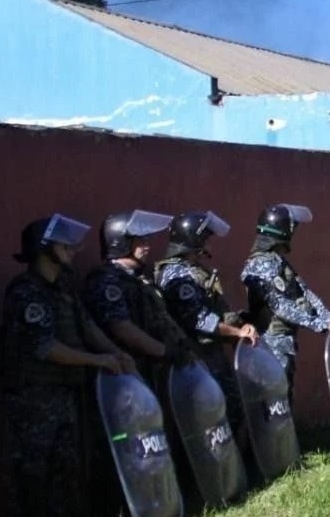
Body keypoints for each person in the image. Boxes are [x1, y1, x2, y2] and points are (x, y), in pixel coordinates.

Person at [2, 215, 136, 517]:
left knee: (68, 476)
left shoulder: (63, 288)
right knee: (34, 479)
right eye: (65, 245)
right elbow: (45, 348)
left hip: (66, 397)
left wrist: (117, 354)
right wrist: (97, 360)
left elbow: (88, 328)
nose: (73, 250)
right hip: (33, 402)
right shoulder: (25, 292)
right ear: (44, 249)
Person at [155, 210, 260, 436]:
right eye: (205, 238)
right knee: (209, 415)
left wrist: (241, 325)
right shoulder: (175, 274)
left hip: (212, 352)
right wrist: (236, 333)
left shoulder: (195, 270)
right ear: (193, 240)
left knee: (232, 411)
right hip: (194, 357)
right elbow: (199, 320)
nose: (209, 244)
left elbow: (218, 308)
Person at [241, 204, 330, 393]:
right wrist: (320, 324)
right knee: (275, 398)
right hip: (270, 342)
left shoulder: (277, 261)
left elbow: (304, 293)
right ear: (282, 231)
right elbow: (280, 305)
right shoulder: (259, 265)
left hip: (284, 342)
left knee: (285, 394)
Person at [83, 209, 197, 389]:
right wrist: (164, 351)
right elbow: (121, 327)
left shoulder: (136, 280)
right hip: (124, 377)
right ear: (122, 242)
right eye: (140, 240)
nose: (147, 246)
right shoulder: (106, 280)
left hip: (149, 371)